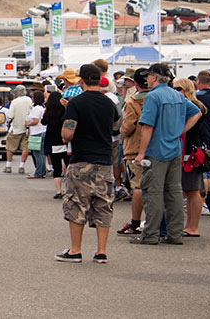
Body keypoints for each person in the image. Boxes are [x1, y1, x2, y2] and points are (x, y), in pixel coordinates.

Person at [55, 63, 120, 264]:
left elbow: (67, 134)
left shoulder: (76, 103)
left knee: (76, 204)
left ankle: (75, 250)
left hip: (82, 159)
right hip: (104, 160)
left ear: (81, 80)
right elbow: (116, 124)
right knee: (103, 205)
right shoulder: (109, 103)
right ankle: (101, 251)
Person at [131, 63, 201, 246]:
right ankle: (176, 234)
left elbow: (148, 127)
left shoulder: (153, 96)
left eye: (149, 75)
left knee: (153, 193)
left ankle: (151, 235)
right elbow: (197, 112)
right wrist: (180, 131)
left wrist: (141, 153)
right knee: (174, 192)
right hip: (175, 149)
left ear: (154, 77)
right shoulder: (176, 95)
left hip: (156, 151)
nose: (147, 78)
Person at [118, 68, 150, 236]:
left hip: (135, 148)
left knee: (138, 185)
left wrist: (120, 132)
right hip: (156, 147)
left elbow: (128, 126)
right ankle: (153, 221)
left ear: (135, 83)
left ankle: (135, 222)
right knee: (155, 186)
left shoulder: (133, 102)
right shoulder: (156, 98)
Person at [174, 78, 206, 237]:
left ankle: (193, 226)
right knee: (189, 189)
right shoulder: (192, 105)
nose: (175, 91)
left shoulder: (194, 107)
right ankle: (190, 225)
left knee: (193, 190)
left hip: (190, 154)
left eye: (178, 88)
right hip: (188, 152)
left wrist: (180, 131)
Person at [194, 70, 210, 218]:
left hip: (201, 135)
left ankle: (205, 201)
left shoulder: (196, 98)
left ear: (199, 82)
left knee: (205, 169)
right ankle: (209, 200)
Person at [42, 91, 68, 198]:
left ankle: (58, 191)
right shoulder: (64, 110)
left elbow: (43, 122)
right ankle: (69, 189)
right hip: (64, 140)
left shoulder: (48, 111)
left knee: (56, 167)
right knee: (68, 163)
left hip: (52, 141)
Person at [5, 85, 32, 174]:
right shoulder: (29, 100)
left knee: (10, 147)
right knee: (25, 147)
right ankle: (21, 166)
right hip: (27, 128)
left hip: (16, 127)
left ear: (17, 92)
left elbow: (10, 116)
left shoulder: (15, 102)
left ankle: (8, 166)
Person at [26, 91, 47, 179]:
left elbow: (35, 121)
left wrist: (28, 124)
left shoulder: (36, 109)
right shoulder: (42, 108)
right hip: (42, 131)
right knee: (41, 153)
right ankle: (42, 171)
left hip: (36, 132)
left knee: (37, 153)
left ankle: (38, 172)